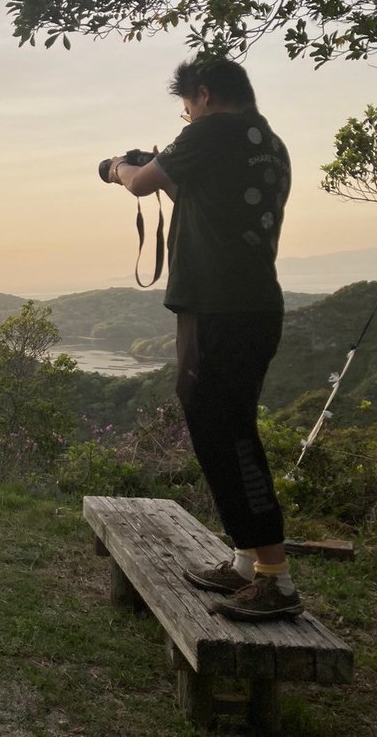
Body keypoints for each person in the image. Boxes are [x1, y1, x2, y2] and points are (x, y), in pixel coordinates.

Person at [107, 57, 299, 622]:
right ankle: (246, 563)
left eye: (186, 105)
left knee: (228, 434)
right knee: (228, 426)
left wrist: (118, 166)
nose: (185, 115)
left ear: (205, 95)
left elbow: (142, 185)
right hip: (254, 303)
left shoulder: (209, 130)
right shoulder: (270, 141)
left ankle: (277, 580)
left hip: (220, 308)